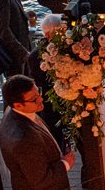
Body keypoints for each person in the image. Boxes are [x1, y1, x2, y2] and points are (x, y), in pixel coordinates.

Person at [23, 14, 72, 155]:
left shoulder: (69, 49)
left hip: (68, 102)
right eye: (60, 31)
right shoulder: (35, 57)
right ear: (49, 34)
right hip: (50, 106)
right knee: (55, 140)